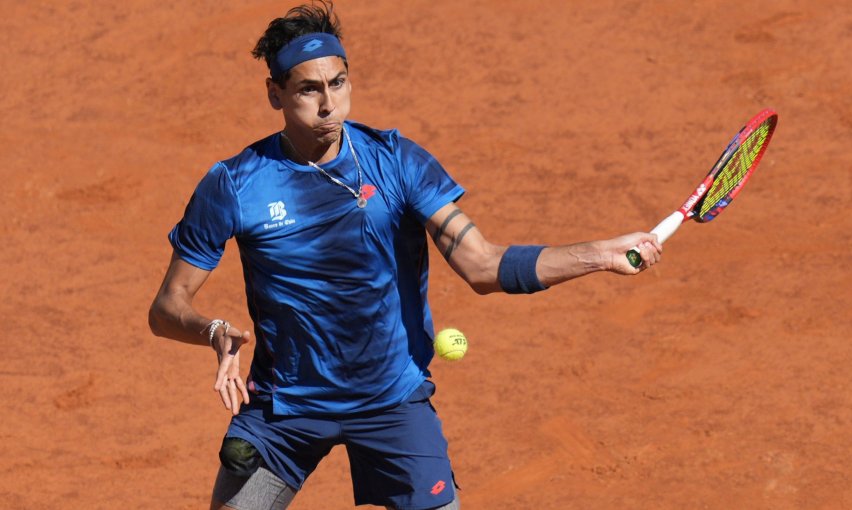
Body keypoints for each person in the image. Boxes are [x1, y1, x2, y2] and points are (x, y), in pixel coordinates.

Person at [148, 2, 662, 509]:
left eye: (338, 83)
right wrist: (213, 332)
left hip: (390, 401)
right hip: (287, 407)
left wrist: (600, 254)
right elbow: (167, 306)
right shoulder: (235, 185)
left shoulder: (397, 162)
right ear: (275, 94)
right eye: (308, 89)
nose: (328, 104)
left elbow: (483, 266)